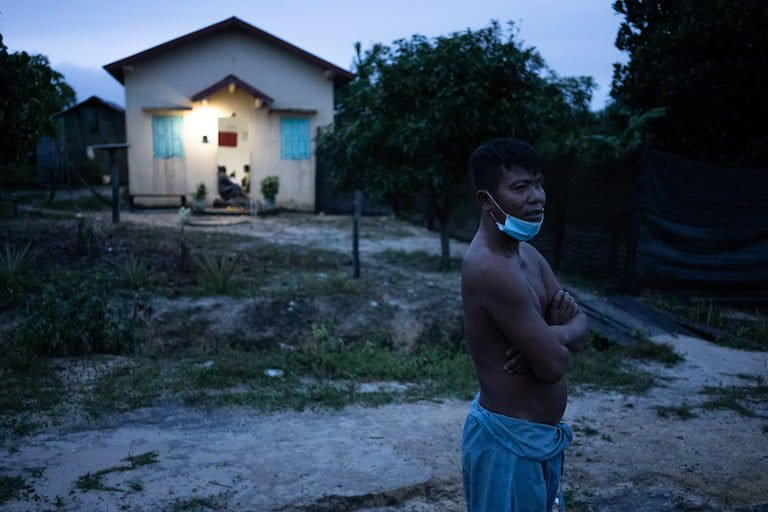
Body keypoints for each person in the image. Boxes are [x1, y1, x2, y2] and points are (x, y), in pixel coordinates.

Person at [461, 138, 589, 512]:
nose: (537, 197)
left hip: (537, 441)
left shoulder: (527, 256)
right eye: (520, 187)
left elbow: (583, 327)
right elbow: (553, 366)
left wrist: (549, 334)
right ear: (486, 200)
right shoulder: (490, 268)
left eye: (538, 184)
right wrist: (554, 341)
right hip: (508, 446)